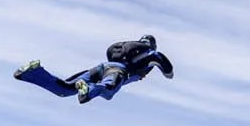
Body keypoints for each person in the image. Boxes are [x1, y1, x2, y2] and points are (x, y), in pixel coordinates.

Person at [15, 36, 175, 103]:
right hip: (117, 71)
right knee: (108, 90)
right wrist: (168, 73)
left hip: (100, 68)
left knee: (66, 88)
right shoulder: (150, 54)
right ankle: (88, 91)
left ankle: (32, 72)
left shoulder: (127, 49)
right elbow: (165, 66)